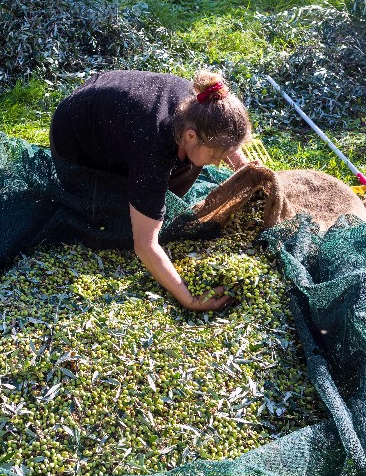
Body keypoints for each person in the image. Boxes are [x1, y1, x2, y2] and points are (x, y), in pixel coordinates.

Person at [49, 69, 253, 311]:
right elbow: (145, 245)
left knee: (191, 164)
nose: (221, 163)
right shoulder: (153, 148)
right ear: (190, 135)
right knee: (114, 220)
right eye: (217, 156)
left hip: (115, 111)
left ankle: (140, 193)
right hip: (76, 136)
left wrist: (246, 168)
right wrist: (189, 299)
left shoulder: (203, 107)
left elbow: (222, 136)